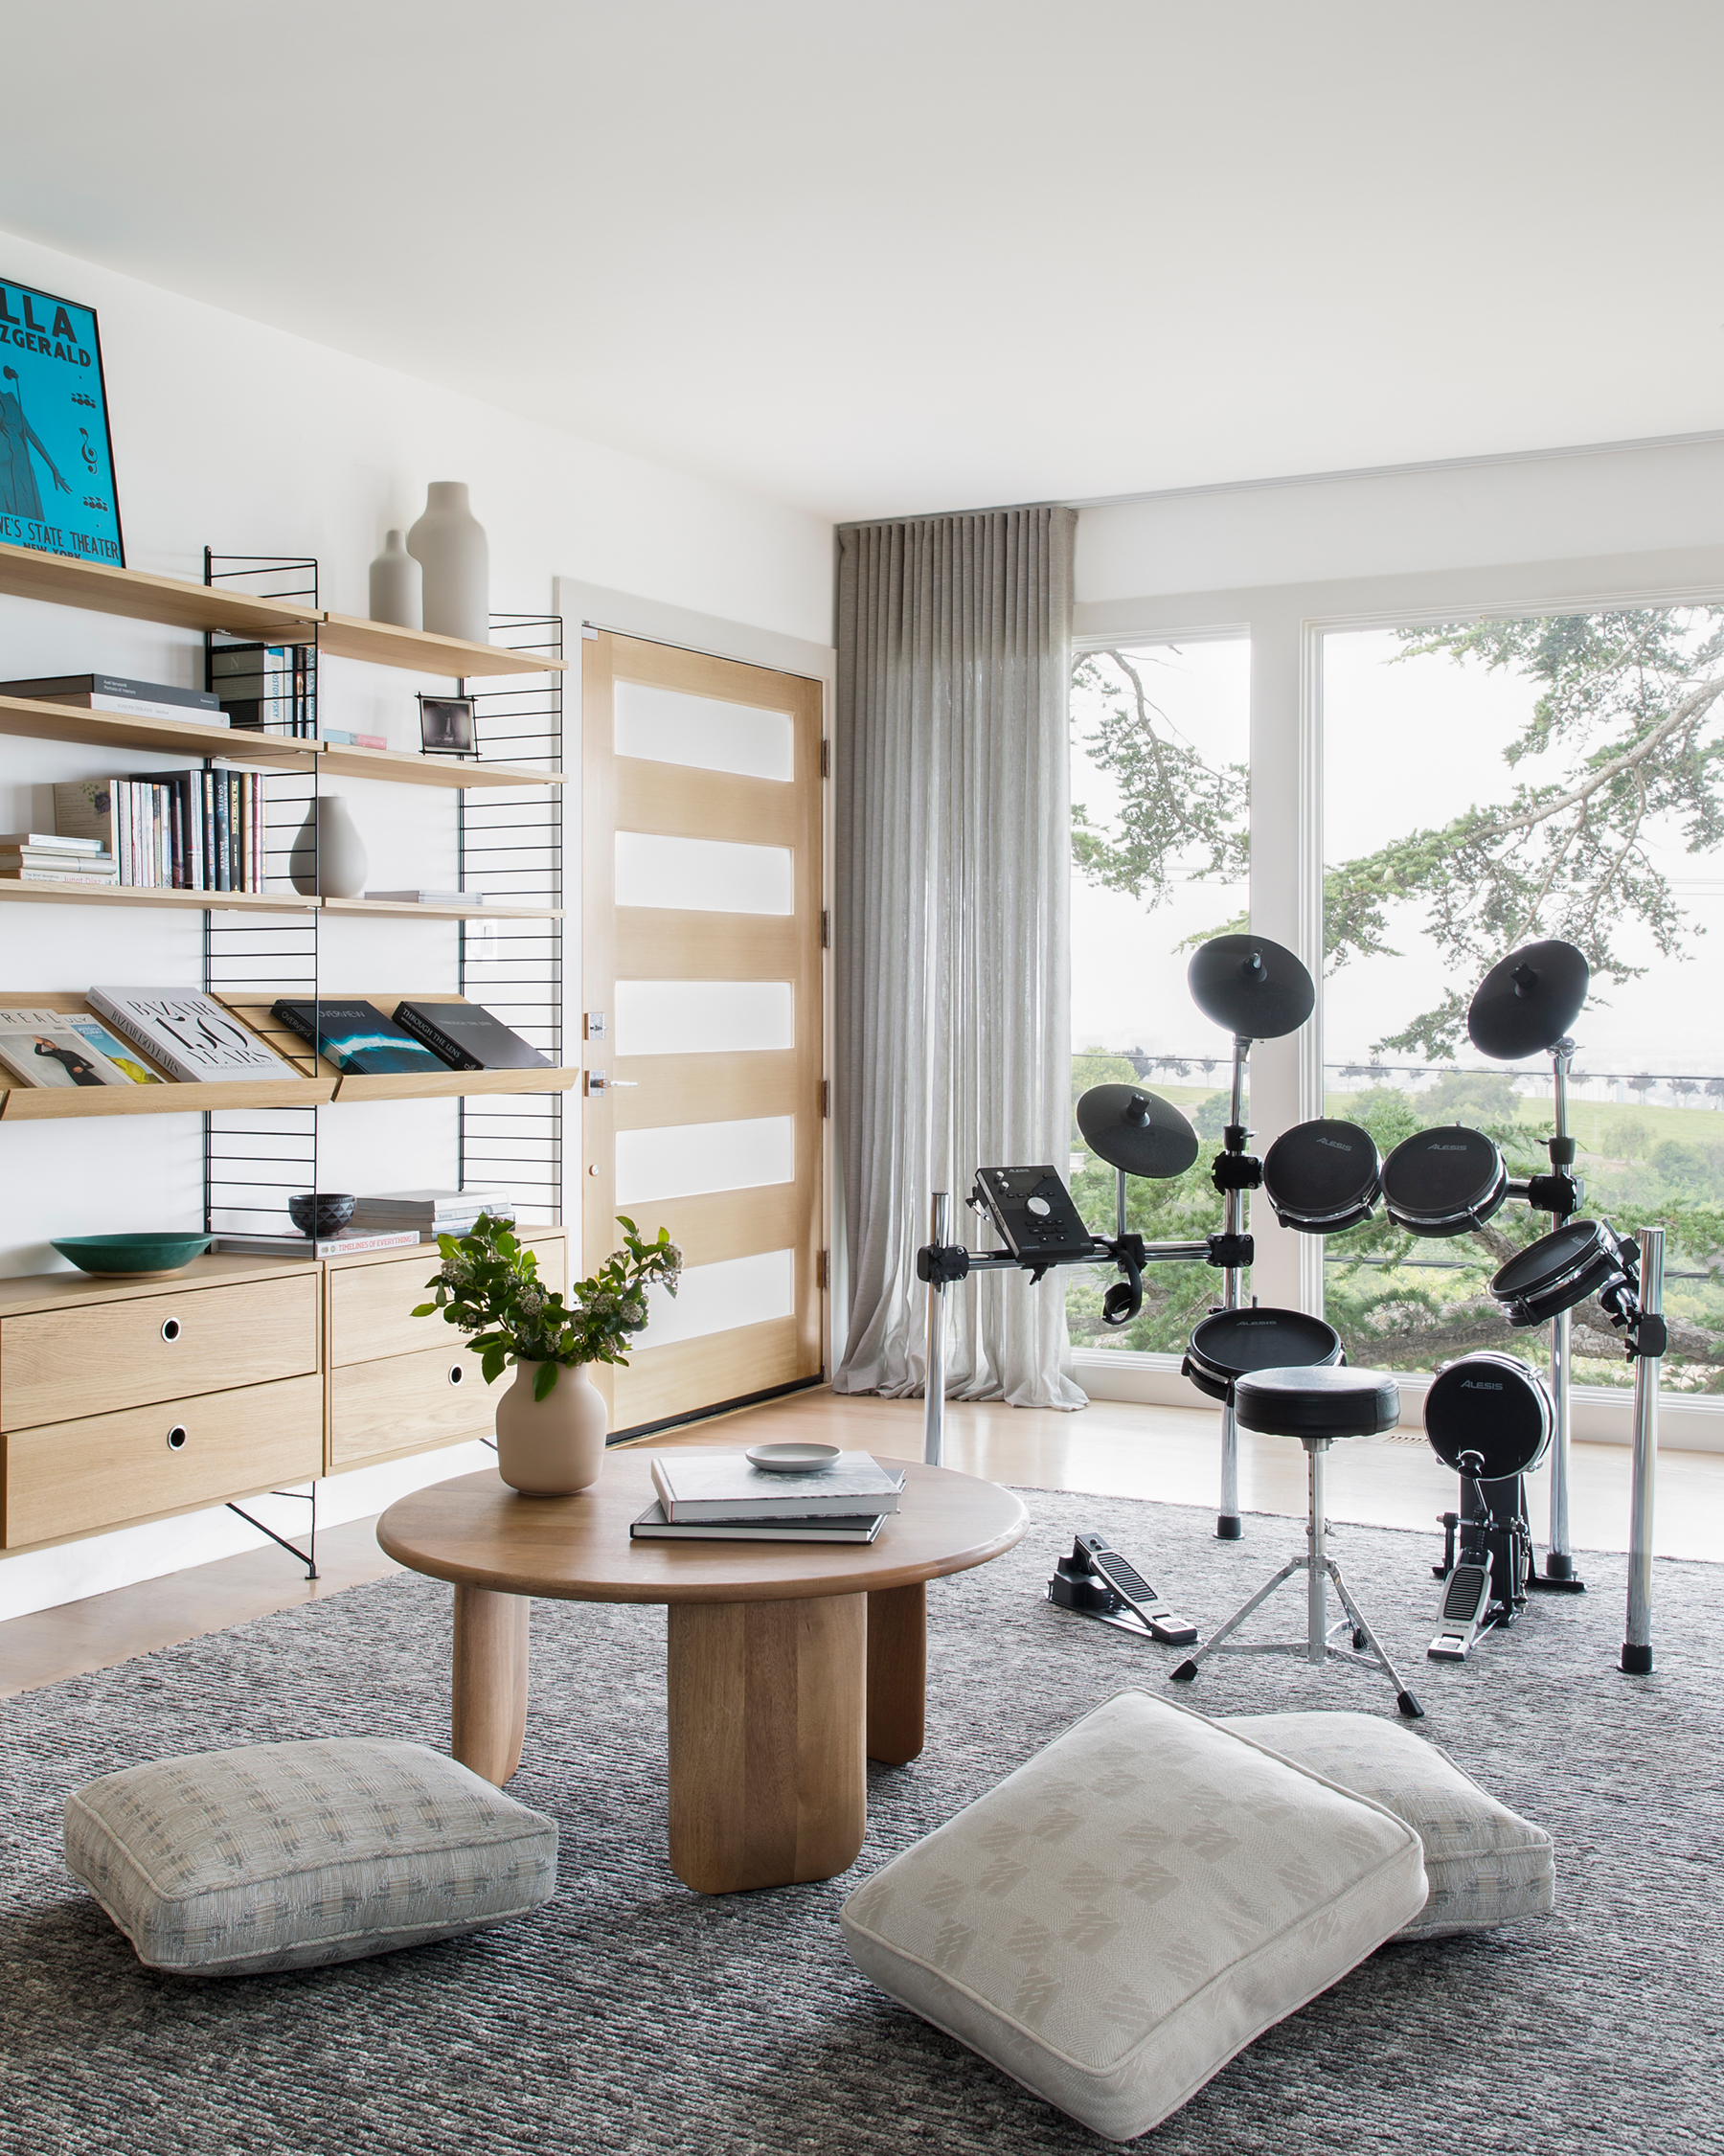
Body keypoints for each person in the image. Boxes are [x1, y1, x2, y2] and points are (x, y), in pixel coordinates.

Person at [0, 365, 70, 521]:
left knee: (26, 509)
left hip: (21, 462)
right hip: (3, 463)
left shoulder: (10, 398)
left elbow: (32, 435)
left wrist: (54, 469)